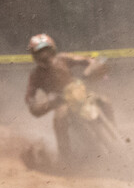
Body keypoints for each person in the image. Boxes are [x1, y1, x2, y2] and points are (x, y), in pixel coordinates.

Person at [24, 34, 116, 163]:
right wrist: (41, 103)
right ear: (34, 55)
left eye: (46, 50)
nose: (44, 55)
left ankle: (115, 131)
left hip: (79, 93)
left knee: (105, 101)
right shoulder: (35, 75)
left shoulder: (62, 59)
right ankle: (65, 157)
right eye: (39, 52)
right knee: (60, 117)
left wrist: (93, 65)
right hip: (60, 102)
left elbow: (85, 60)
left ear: (52, 49)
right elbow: (30, 96)